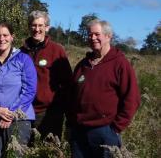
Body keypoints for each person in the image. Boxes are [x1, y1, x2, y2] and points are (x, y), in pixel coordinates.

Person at [68, 19, 140, 158]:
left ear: (108, 36)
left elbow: (132, 98)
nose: (93, 38)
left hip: (105, 132)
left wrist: (116, 128)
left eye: (97, 34)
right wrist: (71, 123)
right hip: (79, 131)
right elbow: (72, 95)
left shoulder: (120, 63)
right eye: (90, 35)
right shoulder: (83, 65)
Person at [0, 22, 37, 158]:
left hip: (19, 120)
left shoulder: (24, 59)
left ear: (12, 37)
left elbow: (29, 90)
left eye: (5, 35)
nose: (1, 39)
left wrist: (11, 114)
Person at [20, 11, 72, 140]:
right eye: (33, 25)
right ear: (29, 27)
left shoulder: (56, 50)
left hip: (49, 114)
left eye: (40, 25)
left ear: (47, 27)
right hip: (24, 111)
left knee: (47, 151)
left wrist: (61, 108)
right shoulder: (21, 52)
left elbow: (67, 83)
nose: (36, 29)